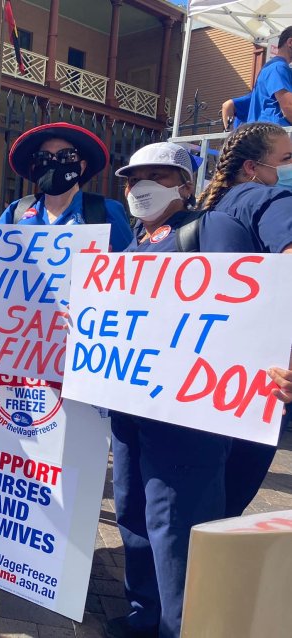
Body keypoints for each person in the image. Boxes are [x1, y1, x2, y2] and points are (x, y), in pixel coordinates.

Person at [105, 141, 292, 638]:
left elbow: (259, 308)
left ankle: (182, 626)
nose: (139, 188)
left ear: (185, 185)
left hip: (190, 415)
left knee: (178, 525)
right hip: (130, 409)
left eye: (155, 177)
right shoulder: (133, 245)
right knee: (134, 512)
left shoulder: (212, 229)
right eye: (131, 179)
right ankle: (146, 613)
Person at [196, 121, 292, 518]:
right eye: (286, 159)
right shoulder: (272, 199)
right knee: (225, 506)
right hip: (256, 385)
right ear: (252, 168)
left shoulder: (203, 208)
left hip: (201, 379)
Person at [0, 122, 132, 252]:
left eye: (66, 156)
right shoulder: (17, 211)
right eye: (43, 157)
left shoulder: (106, 211)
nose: (54, 163)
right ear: (34, 167)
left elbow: (128, 267)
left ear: (82, 166)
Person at [247, 26, 292, 125]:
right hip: (272, 135)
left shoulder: (272, 67)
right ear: (290, 43)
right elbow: (288, 106)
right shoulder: (278, 67)